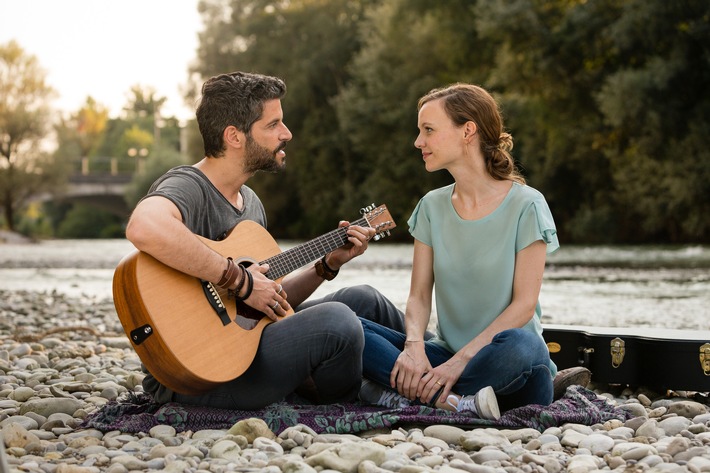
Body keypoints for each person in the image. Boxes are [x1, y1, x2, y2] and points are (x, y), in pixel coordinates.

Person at [124, 71, 376, 410]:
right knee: (339, 322)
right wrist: (238, 279)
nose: (286, 134)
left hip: (245, 349)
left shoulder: (251, 203)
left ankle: (433, 371)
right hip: (196, 376)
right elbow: (143, 225)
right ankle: (350, 403)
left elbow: (267, 303)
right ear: (234, 136)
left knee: (364, 299)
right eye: (273, 125)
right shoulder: (190, 185)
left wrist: (327, 265)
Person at [337, 83, 587, 420]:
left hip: (508, 369)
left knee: (524, 346)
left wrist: (459, 363)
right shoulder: (431, 207)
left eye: (428, 130)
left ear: (467, 131)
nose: (418, 142)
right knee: (343, 326)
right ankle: (455, 404)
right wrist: (413, 349)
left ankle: (404, 393)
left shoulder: (528, 205)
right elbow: (419, 297)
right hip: (444, 359)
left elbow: (524, 306)